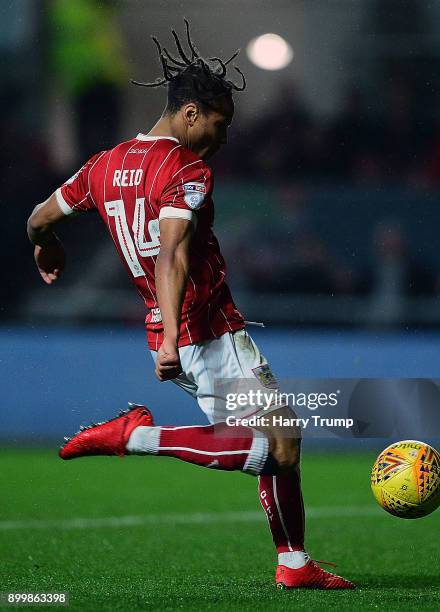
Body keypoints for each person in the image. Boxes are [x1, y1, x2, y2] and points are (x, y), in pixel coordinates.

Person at [27, 21, 354, 590]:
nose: (222, 140)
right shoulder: (185, 169)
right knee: (276, 444)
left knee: (275, 439)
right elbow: (173, 252)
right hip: (205, 329)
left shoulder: (103, 166)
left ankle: (295, 563)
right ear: (190, 114)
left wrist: (45, 245)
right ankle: (135, 436)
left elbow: (38, 217)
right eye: (220, 126)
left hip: (166, 327)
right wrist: (179, 337)